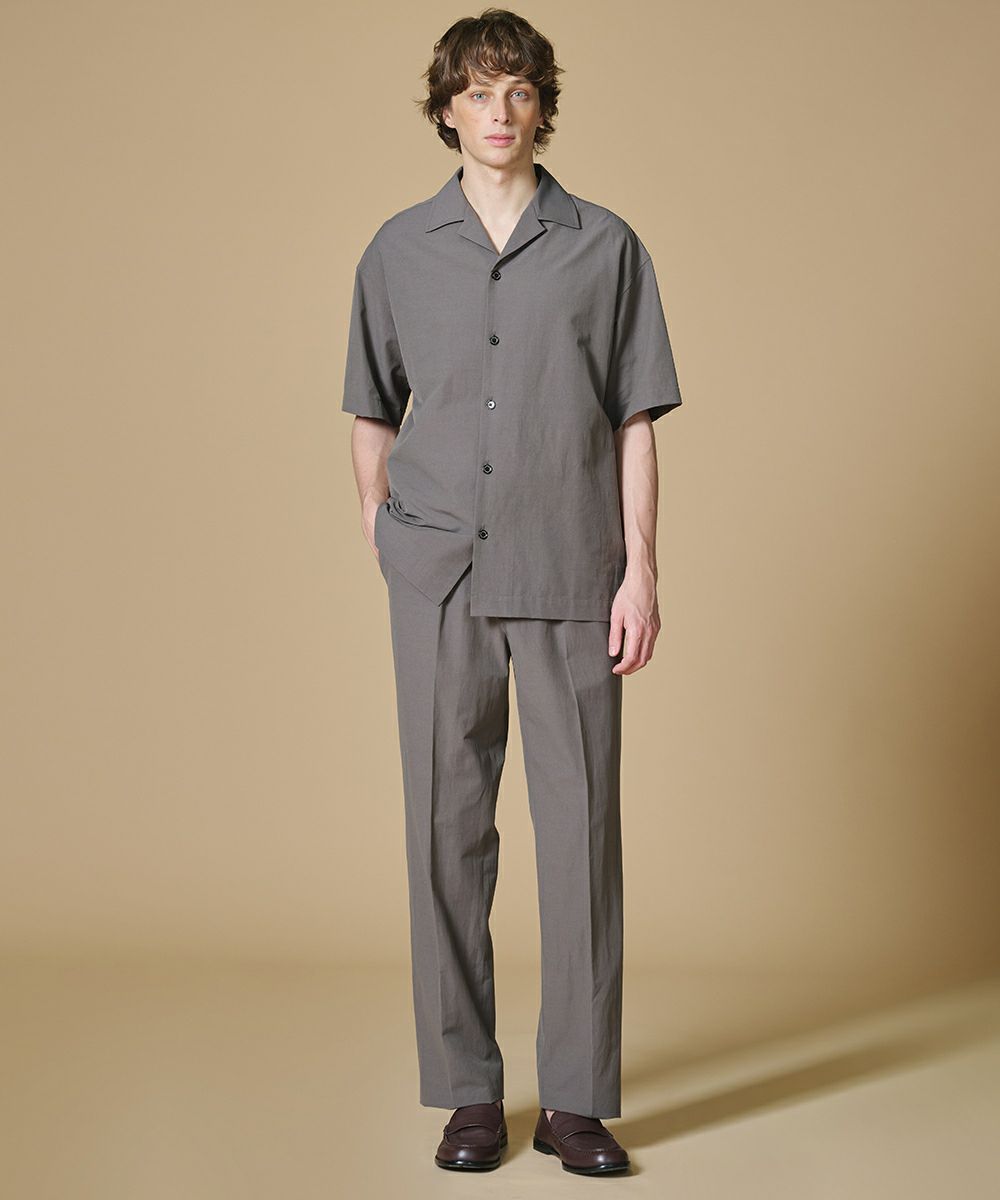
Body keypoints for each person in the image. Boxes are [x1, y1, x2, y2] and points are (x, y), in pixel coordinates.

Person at [342, 7, 683, 1176]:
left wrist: (641, 568)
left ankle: (576, 1101)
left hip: (572, 571)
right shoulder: (397, 251)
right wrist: (378, 528)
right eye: (479, 92)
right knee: (446, 830)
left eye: (519, 90)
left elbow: (634, 419)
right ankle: (468, 1097)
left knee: (580, 834)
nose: (500, 111)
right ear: (446, 109)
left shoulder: (606, 248)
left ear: (542, 105)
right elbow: (370, 406)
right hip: (438, 575)